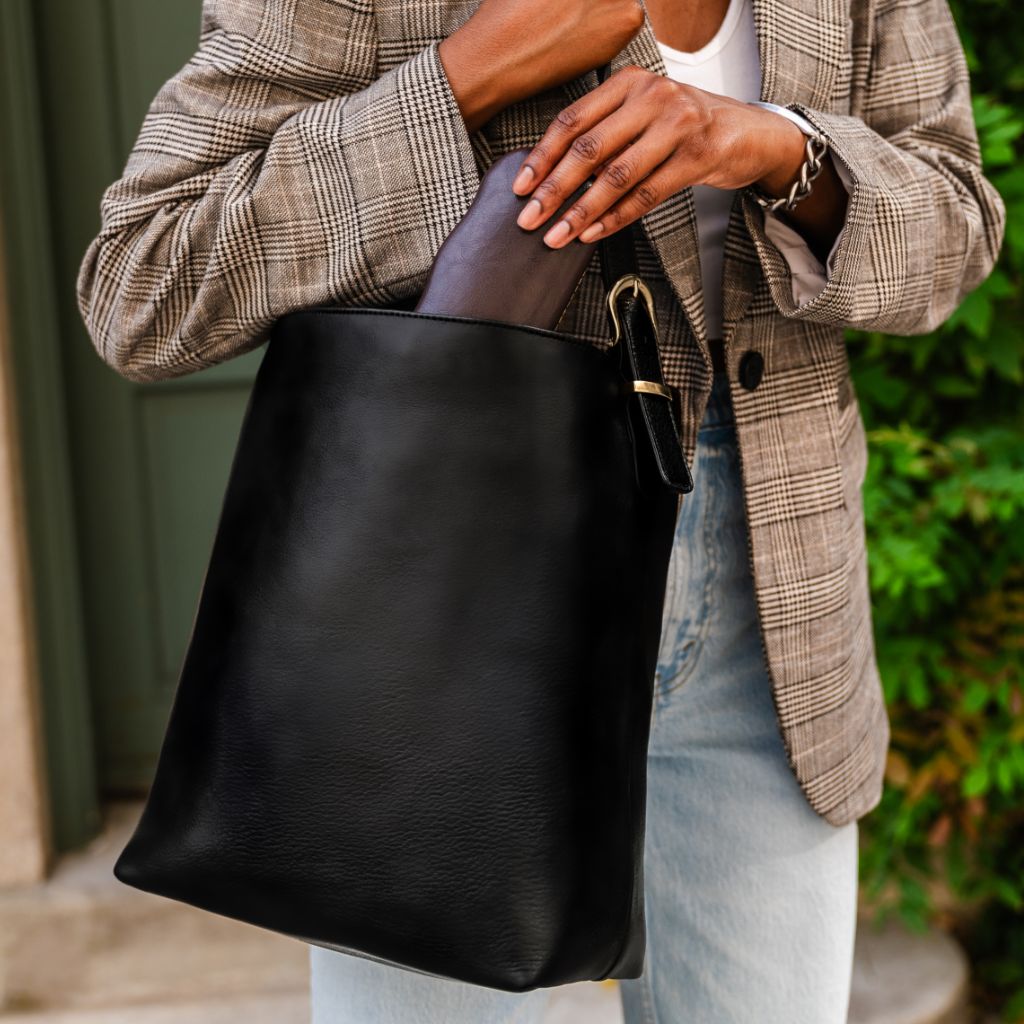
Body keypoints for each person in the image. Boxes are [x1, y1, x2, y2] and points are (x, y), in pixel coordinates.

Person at [76, 0, 1004, 1020]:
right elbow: (145, 280)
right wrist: (460, 79)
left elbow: (956, 230)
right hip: (443, 628)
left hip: (771, 620)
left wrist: (783, 153)